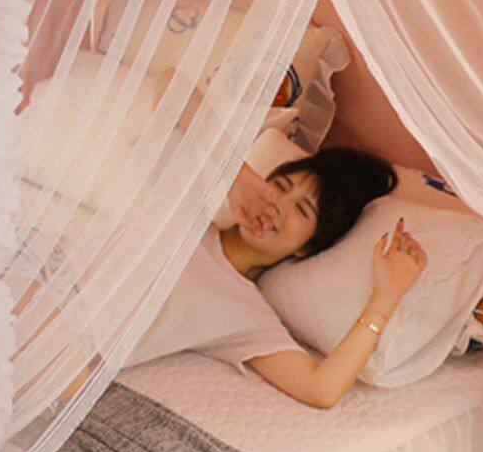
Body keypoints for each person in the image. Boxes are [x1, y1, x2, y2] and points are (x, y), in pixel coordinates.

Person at [138, 144, 429, 408]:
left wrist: (386, 296)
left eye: (301, 209)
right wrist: (237, 175)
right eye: (279, 186)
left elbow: (321, 389)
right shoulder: (183, 211)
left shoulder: (244, 314)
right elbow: (172, 104)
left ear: (307, 248)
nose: (278, 204)